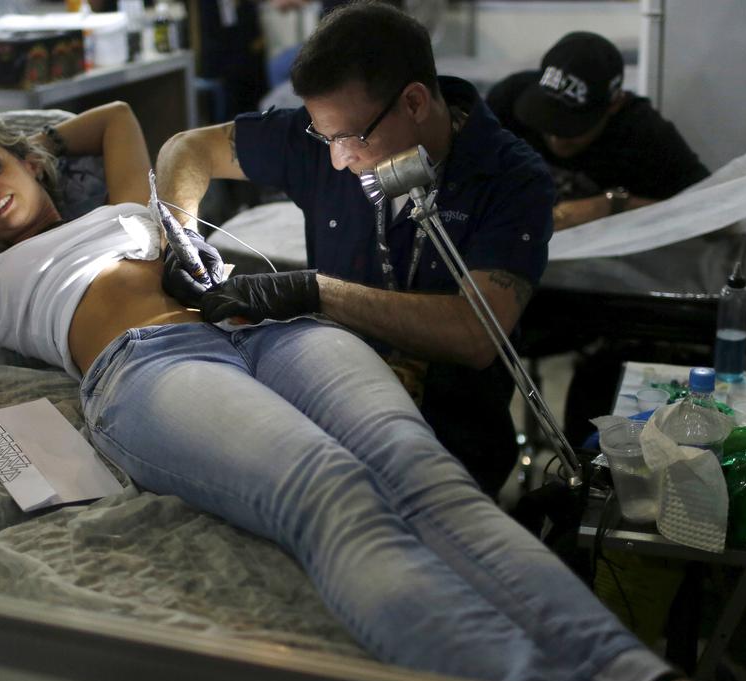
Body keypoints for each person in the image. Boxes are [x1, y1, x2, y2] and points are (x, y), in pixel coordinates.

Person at [0, 103, 731, 681]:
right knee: (334, 495)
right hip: (147, 370)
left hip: (262, 320)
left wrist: (23, 135)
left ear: (29, 164)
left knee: (427, 476)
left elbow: (110, 117)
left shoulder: (119, 205)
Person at [156, 0, 551, 497]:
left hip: (451, 448)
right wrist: (182, 233)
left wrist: (315, 293)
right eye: (326, 138)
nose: (340, 160)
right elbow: (187, 148)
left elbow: (475, 334)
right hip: (329, 424)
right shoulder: (319, 139)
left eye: (350, 137)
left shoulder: (511, 180)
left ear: (414, 102)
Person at [486, 31, 710, 230]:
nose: (556, 139)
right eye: (546, 123)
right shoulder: (508, 100)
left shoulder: (642, 133)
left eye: (570, 129)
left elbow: (714, 213)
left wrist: (610, 206)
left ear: (614, 105)